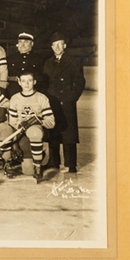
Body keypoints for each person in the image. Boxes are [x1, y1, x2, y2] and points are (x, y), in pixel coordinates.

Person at [43, 32, 86, 173]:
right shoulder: (48, 62)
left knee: (69, 133)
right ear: (51, 47)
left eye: (60, 44)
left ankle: (71, 164)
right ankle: (54, 162)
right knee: (53, 131)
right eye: (55, 45)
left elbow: (80, 82)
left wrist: (72, 97)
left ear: (65, 46)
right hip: (52, 101)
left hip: (66, 101)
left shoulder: (73, 62)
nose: (57, 47)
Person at [0, 71, 56, 180]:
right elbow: (12, 122)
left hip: (36, 133)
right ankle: (8, 162)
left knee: (34, 131)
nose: (27, 84)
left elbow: (51, 122)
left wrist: (37, 121)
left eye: (29, 81)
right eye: (24, 81)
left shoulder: (41, 98)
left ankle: (38, 166)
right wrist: (19, 129)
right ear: (19, 82)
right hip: (21, 133)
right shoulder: (15, 98)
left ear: (34, 82)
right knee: (27, 171)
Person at [7, 32, 46, 96]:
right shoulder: (10, 58)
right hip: (14, 92)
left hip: (33, 92)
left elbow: (42, 78)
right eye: (20, 42)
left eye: (26, 42)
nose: (22, 44)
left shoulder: (39, 59)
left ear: (32, 44)